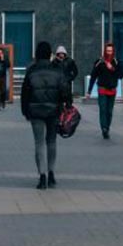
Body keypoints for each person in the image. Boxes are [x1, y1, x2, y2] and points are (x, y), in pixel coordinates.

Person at [21, 40, 72, 189]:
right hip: (54, 110)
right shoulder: (57, 70)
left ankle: (42, 176)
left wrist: (25, 111)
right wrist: (67, 104)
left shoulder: (31, 70)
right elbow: (65, 89)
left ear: (37, 54)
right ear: (50, 54)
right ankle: (51, 174)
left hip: (35, 111)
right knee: (51, 141)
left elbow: (25, 92)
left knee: (39, 143)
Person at [86, 43, 123, 138]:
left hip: (112, 90)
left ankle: (107, 127)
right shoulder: (99, 62)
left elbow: (121, 75)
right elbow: (93, 76)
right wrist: (89, 91)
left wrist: (112, 69)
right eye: (107, 51)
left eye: (111, 51)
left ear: (113, 51)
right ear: (105, 51)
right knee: (103, 109)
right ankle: (104, 129)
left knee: (109, 111)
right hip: (102, 89)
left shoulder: (116, 62)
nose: (109, 53)